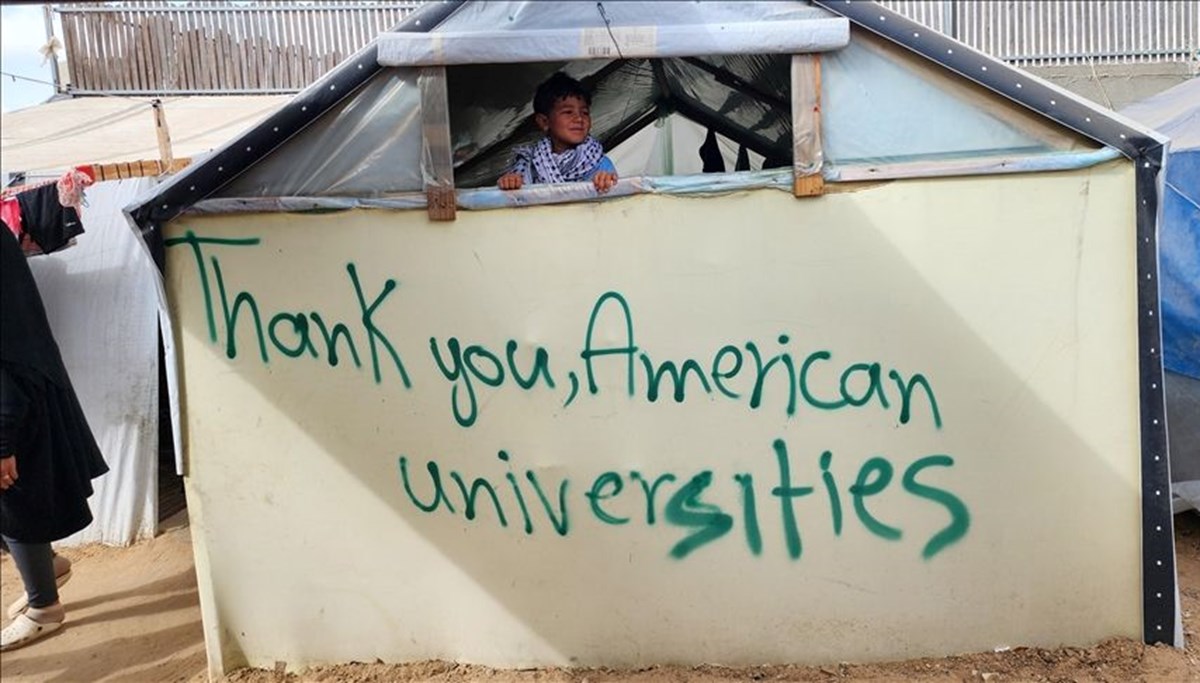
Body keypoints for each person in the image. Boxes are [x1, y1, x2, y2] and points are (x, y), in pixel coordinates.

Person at [0, 223, 108, 651]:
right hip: (21, 384)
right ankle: (45, 566)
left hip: (13, 394)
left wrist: (2, 438)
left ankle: (45, 607)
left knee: (13, 497)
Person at [498, 73, 619, 193]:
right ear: (544, 122)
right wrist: (510, 184)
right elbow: (516, 200)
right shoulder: (529, 163)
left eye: (585, 112)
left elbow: (615, 200)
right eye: (568, 112)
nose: (579, 119)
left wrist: (607, 183)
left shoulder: (599, 163)